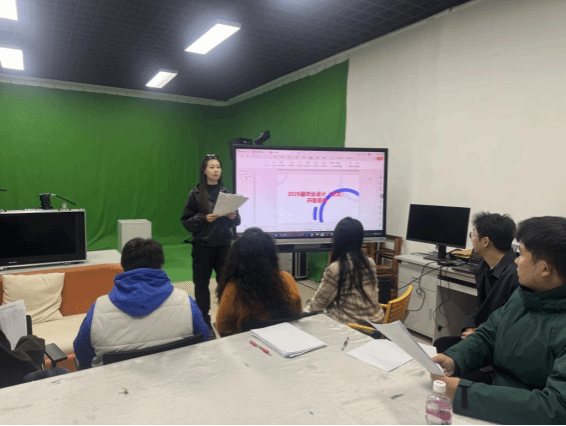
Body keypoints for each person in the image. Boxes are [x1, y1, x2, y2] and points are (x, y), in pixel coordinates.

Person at [430, 216, 566, 424]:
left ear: (544, 269)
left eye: (521, 254)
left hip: (522, 411)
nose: (516, 260)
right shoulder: (526, 295)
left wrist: (463, 393)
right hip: (497, 391)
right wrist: (455, 359)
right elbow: (488, 335)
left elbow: (555, 407)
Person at [73, 238, 209, 369]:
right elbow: (203, 339)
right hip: (177, 381)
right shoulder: (186, 302)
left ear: (123, 267)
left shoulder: (99, 309)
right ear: (161, 265)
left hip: (115, 383)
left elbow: (82, 355)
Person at [433, 212, 519, 354]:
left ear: (485, 242)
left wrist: (478, 334)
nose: (472, 240)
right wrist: (470, 327)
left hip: (498, 344)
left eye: (473, 235)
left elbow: (510, 322)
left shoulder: (516, 275)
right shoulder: (484, 267)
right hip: (483, 334)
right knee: (440, 344)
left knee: (443, 349)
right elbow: (482, 307)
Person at [181, 154, 241, 332]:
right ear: (204, 171)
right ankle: (204, 319)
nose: (216, 170)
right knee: (201, 284)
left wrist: (233, 216)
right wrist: (204, 218)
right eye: (212, 167)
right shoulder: (195, 194)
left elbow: (236, 221)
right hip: (203, 246)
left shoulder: (227, 193)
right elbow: (186, 221)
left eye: (218, 167)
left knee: (226, 282)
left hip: (224, 245)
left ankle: (225, 315)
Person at [215, 227, 302, 337]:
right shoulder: (286, 278)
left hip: (249, 344)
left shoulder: (233, 288)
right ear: (272, 256)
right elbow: (297, 312)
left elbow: (223, 328)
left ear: (236, 257)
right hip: (286, 339)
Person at [304, 217, 384, 326]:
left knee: (308, 317)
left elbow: (318, 305)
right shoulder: (370, 262)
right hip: (376, 323)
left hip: (352, 326)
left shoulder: (336, 268)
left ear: (338, 240)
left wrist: (304, 310)